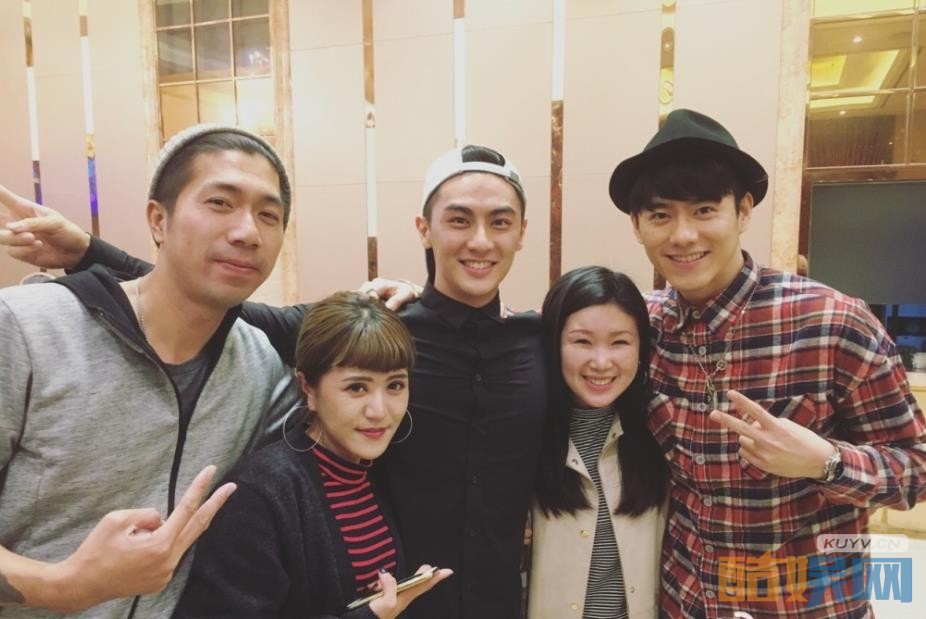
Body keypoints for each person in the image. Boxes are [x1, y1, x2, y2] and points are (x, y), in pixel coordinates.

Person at [0, 144, 546, 619]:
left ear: (522, 232)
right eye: (458, 220)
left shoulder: (540, 343)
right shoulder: (376, 335)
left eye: (500, 222)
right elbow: (206, 297)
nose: (480, 241)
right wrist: (88, 252)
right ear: (424, 229)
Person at [608, 108, 926, 618]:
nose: (682, 235)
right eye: (661, 215)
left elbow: (916, 467)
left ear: (743, 211)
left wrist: (827, 462)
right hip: (685, 602)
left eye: (705, 210)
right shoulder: (639, 327)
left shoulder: (832, 322)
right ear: (637, 225)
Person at [0, 124, 301, 617]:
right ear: (158, 220)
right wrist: (65, 585)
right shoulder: (24, 328)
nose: (247, 232)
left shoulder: (258, 364)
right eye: (220, 203)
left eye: (269, 215)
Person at [172, 291, 452, 618]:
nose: (379, 411)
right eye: (356, 387)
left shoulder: (378, 469)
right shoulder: (260, 494)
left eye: (395, 386)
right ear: (308, 387)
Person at [530, 266, 668, 619]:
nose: (602, 362)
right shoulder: (524, 434)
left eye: (619, 342)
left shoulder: (660, 431)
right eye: (582, 342)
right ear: (554, 344)